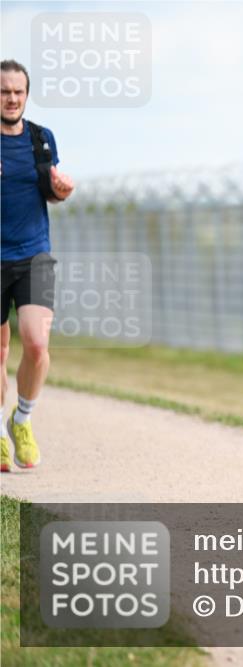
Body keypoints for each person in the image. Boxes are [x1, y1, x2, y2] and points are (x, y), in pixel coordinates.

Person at [0, 59, 75, 472]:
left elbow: (50, 189)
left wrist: (62, 190)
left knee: (36, 344)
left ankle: (22, 420)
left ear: (26, 95)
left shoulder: (41, 139)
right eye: (4, 91)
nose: (11, 98)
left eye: (18, 91)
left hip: (33, 254)